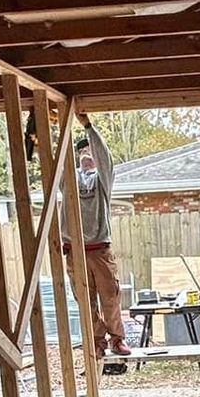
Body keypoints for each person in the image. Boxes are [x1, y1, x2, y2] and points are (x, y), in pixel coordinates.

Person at [71, 120, 129, 357]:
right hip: (75, 250)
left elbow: (105, 158)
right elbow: (59, 164)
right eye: (82, 151)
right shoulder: (69, 180)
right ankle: (97, 341)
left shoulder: (102, 181)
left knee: (110, 297)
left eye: (90, 150)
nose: (87, 154)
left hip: (100, 248)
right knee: (85, 301)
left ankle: (117, 339)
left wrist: (88, 127)